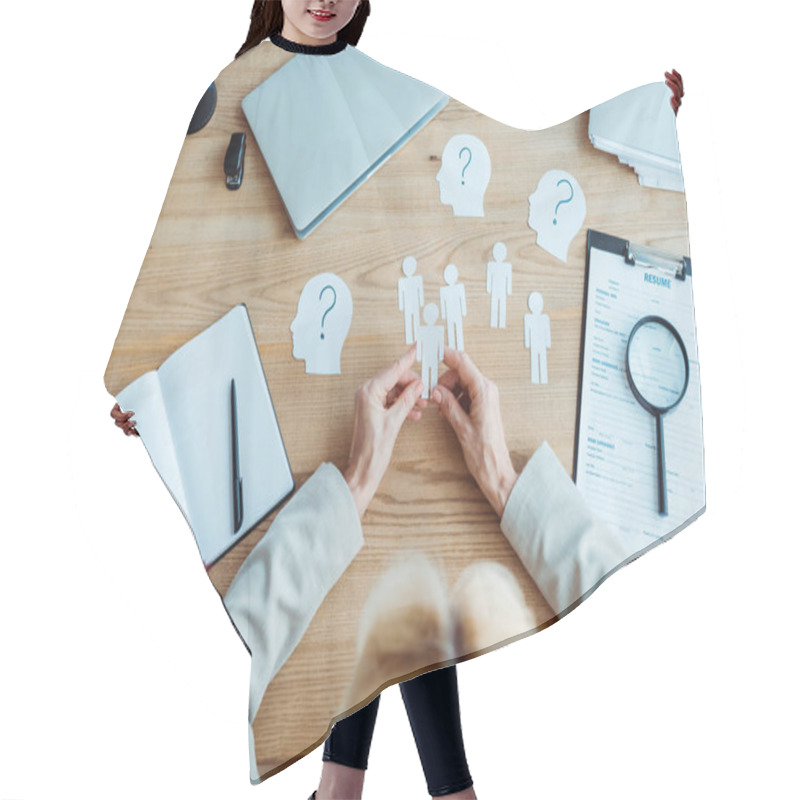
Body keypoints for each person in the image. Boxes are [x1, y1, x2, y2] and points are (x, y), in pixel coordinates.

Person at [108, 3, 686, 796]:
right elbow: (180, 275)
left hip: (367, 388)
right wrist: (154, 386)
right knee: (381, 559)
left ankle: (355, 786)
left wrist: (635, 118)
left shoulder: (378, 89)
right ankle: (406, 787)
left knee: (391, 558)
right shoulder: (231, 96)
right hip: (282, 402)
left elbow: (507, 150)